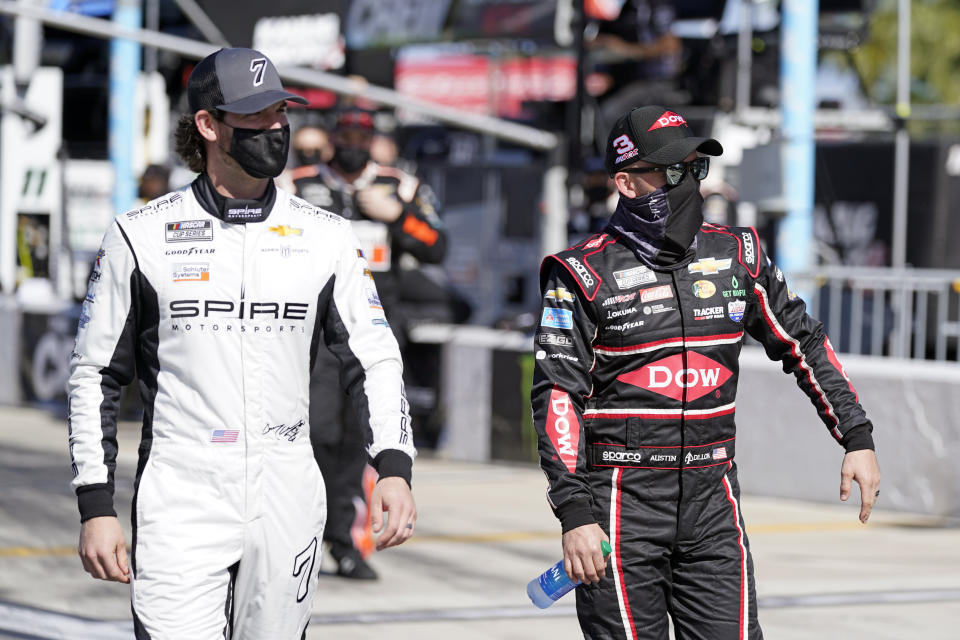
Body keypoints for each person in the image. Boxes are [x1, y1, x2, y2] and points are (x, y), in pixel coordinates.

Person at [67, 47, 417, 638]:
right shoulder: (141, 235)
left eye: (282, 112)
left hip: (287, 490)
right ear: (209, 125)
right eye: (257, 116)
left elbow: (376, 358)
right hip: (181, 489)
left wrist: (393, 466)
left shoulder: (326, 237)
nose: (276, 127)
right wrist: (96, 507)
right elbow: (93, 375)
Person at [531, 105, 881, 639]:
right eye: (672, 172)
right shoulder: (581, 273)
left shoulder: (738, 253)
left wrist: (855, 435)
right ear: (625, 183)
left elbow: (804, 341)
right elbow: (558, 394)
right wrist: (575, 512)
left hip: (713, 497)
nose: (688, 184)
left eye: (696, 170)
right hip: (619, 502)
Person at [290, 108, 446, 579]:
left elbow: (437, 245)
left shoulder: (401, 186)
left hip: (377, 326)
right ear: (334, 138)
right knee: (314, 434)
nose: (353, 141)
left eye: (362, 133)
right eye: (346, 133)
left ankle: (344, 541)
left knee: (359, 443)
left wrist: (397, 216)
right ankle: (299, 538)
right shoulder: (298, 183)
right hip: (313, 331)